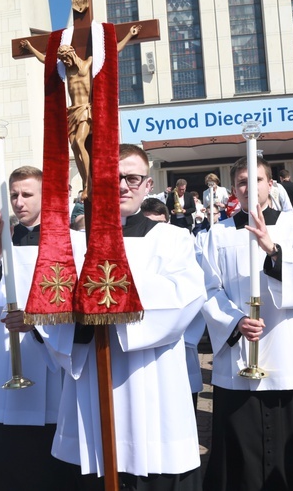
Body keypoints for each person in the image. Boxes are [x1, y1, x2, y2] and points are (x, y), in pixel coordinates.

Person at [50, 144, 206, 489]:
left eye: (132, 178)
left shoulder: (174, 237)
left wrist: (107, 292)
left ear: (148, 185)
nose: (122, 185)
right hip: (93, 372)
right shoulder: (76, 244)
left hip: (156, 376)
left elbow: (186, 298)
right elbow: (55, 308)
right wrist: (82, 318)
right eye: (113, 177)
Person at [200, 157, 293, 490]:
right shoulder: (218, 233)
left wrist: (273, 252)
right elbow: (208, 289)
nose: (249, 187)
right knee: (240, 454)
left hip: (287, 350)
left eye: (256, 180)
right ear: (234, 189)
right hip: (241, 354)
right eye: (242, 181)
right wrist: (235, 321)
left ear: (270, 184)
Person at [0, 165, 75, 490]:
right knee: (11, 458)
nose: (19, 201)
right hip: (7, 355)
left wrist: (38, 322)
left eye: (27, 194)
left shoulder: (65, 242)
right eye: (14, 195)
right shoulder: (2, 242)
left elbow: (74, 301)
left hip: (51, 354)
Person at [20, 26, 140, 199]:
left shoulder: (88, 63)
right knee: (74, 147)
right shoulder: (66, 69)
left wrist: (129, 34)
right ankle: (86, 180)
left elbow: (113, 51)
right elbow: (46, 60)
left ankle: (88, 184)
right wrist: (31, 48)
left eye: (66, 58)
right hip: (72, 112)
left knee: (78, 141)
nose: (65, 62)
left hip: (85, 110)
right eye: (63, 60)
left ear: (72, 54)